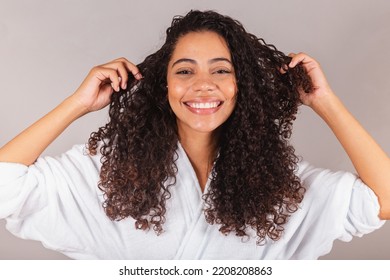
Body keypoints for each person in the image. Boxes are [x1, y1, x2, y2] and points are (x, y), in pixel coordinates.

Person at [0, 10, 389, 260]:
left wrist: (325, 102)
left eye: (221, 70)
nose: (203, 86)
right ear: (163, 86)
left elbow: (384, 201)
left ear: (242, 86)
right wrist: (77, 104)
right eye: (185, 71)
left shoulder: (282, 188)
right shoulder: (105, 175)